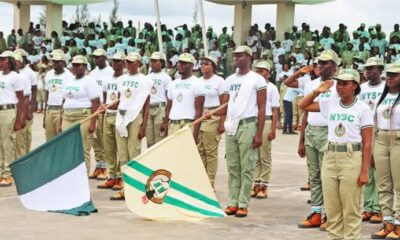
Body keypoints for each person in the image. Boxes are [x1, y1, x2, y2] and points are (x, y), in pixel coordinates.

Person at [299, 68, 372, 240]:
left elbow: (367, 142)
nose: (340, 87)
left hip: (351, 156)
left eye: (345, 83)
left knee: (351, 208)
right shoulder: (331, 103)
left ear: (355, 85)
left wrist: (364, 171)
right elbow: (303, 105)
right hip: (330, 156)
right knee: (332, 208)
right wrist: (316, 91)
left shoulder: (362, 109)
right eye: (338, 83)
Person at [295, 50, 339, 230]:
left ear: (335, 66)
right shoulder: (311, 84)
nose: (320, 65)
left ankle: (330, 214)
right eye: (319, 62)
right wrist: (302, 137)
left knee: (327, 176)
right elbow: (305, 111)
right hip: (312, 131)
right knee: (314, 176)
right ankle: (316, 212)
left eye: (326, 63)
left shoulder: (339, 86)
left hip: (329, 131)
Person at [220, 46, 266, 217]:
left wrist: (259, 132)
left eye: (240, 55)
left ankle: (243, 203)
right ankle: (233, 201)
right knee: (232, 165)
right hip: (232, 125)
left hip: (248, 124)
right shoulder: (229, 79)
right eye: (235, 56)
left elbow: (262, 108)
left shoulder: (257, 79)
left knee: (247, 166)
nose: (236, 58)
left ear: (249, 57)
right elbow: (225, 105)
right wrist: (215, 115)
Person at [111, 52, 152, 201]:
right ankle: (125, 188)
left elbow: (147, 104)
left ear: (139, 63)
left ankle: (135, 188)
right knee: (122, 155)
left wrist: (143, 126)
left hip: (135, 117)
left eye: (132, 62)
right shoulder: (121, 80)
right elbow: (119, 99)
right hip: (121, 116)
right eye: (127, 62)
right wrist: (108, 106)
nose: (128, 64)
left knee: (133, 153)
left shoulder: (144, 80)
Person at [371, 62, 400, 239]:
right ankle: (387, 221)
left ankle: (399, 223)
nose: (389, 77)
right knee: (383, 183)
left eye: (394, 75)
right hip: (380, 139)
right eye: (388, 74)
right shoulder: (384, 96)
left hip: (398, 140)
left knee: (399, 184)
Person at [59, 55, 100, 173]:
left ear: (85, 67)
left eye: (78, 65)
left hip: (83, 116)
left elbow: (95, 102)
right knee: (68, 148)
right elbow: (64, 101)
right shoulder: (68, 80)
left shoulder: (89, 80)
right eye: (73, 65)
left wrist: (93, 123)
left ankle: (83, 177)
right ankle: (72, 176)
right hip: (67, 116)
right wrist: (60, 121)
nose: (75, 67)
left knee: (83, 149)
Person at [359, 57, 385, 224]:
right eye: (366, 69)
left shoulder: (387, 87)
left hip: (380, 129)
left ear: (380, 70)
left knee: (379, 172)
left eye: (372, 68)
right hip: (364, 129)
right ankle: (368, 207)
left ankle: (378, 208)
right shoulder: (361, 88)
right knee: (367, 169)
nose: (368, 71)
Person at [97, 52, 126, 191]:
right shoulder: (108, 79)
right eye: (114, 61)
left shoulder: (125, 79)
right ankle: (112, 175)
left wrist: (109, 106)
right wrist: (104, 106)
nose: (115, 63)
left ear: (124, 63)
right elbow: (105, 96)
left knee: (120, 147)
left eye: (118, 61)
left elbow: (122, 100)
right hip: (108, 114)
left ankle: (120, 177)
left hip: (120, 115)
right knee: (108, 148)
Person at [162, 53, 205, 141]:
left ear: (192, 65)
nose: (180, 65)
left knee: (186, 154)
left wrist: (196, 133)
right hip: (173, 124)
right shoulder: (173, 84)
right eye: (179, 62)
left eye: (184, 63)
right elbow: (169, 107)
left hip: (188, 124)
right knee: (173, 153)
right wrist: (166, 124)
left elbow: (199, 110)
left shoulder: (197, 83)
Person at [252, 61, 279, 199]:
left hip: (267, 120)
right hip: (254, 120)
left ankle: (264, 185)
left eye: (262, 71)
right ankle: (256, 183)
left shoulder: (272, 88)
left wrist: (273, 129)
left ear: (268, 73)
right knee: (255, 155)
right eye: (257, 70)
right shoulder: (253, 86)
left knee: (264, 155)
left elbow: (275, 110)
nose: (259, 73)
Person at [197, 56, 225, 188]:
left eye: (206, 64)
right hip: (200, 115)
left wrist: (222, 122)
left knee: (210, 151)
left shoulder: (219, 81)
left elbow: (224, 103)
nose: (203, 66)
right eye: (201, 64)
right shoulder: (197, 81)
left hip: (213, 115)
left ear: (213, 66)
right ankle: (202, 181)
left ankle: (210, 183)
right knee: (199, 150)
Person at [0, 51, 25, 187]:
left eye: (3, 60)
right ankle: (1, 171)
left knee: (7, 143)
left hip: (8, 111)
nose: (0, 62)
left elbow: (21, 99)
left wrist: (19, 119)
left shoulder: (15, 77)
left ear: (9, 62)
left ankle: (7, 174)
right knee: (0, 144)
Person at [88, 48, 113, 180]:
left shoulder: (111, 72)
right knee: (95, 140)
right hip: (95, 108)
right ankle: (99, 166)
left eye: (99, 57)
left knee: (105, 140)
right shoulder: (92, 73)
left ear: (105, 58)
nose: (96, 60)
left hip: (105, 107)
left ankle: (106, 168)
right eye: (95, 57)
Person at [44, 50, 74, 141]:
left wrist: (63, 113)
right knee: (49, 139)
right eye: (53, 61)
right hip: (50, 109)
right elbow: (47, 93)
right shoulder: (49, 74)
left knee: (61, 139)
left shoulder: (69, 76)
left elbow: (68, 96)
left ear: (63, 62)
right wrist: (45, 114)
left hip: (60, 110)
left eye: (57, 62)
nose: (54, 64)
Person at [146, 52, 172, 148]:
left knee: (160, 141)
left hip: (160, 108)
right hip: (149, 109)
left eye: (155, 61)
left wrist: (166, 119)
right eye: (151, 61)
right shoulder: (147, 77)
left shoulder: (166, 78)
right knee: (149, 141)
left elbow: (169, 99)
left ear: (161, 63)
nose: (152, 63)